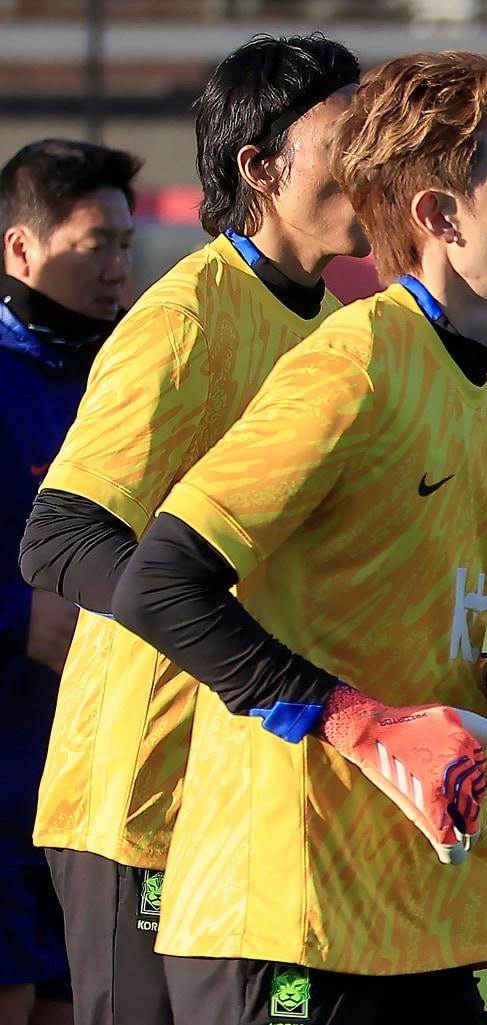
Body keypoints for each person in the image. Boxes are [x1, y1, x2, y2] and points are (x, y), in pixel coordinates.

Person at [106, 51, 487, 1025]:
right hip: (284, 922)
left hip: (412, 916)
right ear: (439, 216)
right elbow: (161, 581)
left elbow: (409, 621)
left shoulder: (482, 400)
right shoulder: (351, 363)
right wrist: (361, 720)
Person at [18, 34, 365, 1025]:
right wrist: (241, 653)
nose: (372, 158)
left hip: (255, 794)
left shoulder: (338, 331)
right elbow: (58, 537)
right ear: (259, 167)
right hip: (142, 797)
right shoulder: (185, 319)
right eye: (346, 135)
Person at [1, 138, 140, 1025]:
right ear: (20, 249)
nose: (117, 267)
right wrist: (15, 613)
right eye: (95, 243)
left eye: (126, 243)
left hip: (96, 793)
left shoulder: (118, 377)